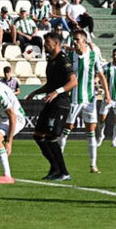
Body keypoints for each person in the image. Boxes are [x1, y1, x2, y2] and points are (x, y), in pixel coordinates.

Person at [26, 32, 77, 181]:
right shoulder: (51, 60)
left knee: (51, 137)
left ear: (56, 43)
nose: (45, 44)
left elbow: (73, 82)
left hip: (61, 103)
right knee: (38, 135)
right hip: (51, 101)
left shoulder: (63, 59)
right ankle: (55, 168)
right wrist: (37, 91)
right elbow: (51, 83)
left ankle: (63, 172)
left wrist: (56, 92)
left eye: (47, 42)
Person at [58, 30, 111, 174]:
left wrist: (107, 94)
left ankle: (93, 165)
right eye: (73, 40)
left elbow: (101, 75)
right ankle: (58, 163)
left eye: (76, 40)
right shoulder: (70, 56)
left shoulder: (93, 56)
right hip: (74, 99)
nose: (74, 42)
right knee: (66, 130)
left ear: (84, 41)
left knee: (91, 131)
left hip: (90, 100)